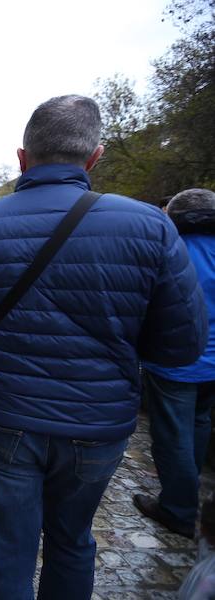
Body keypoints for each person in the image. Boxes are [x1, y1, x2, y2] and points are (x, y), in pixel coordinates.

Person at [0, 95, 207, 600]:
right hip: (96, 424)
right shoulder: (150, 226)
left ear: (22, 158)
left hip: (3, 415)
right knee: (72, 540)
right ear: (95, 156)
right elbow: (181, 346)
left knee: (8, 546)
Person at [134, 188, 215, 539]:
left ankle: (178, 509)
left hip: (176, 360)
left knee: (172, 437)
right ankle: (187, 494)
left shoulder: (171, 250)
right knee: (199, 425)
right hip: (211, 362)